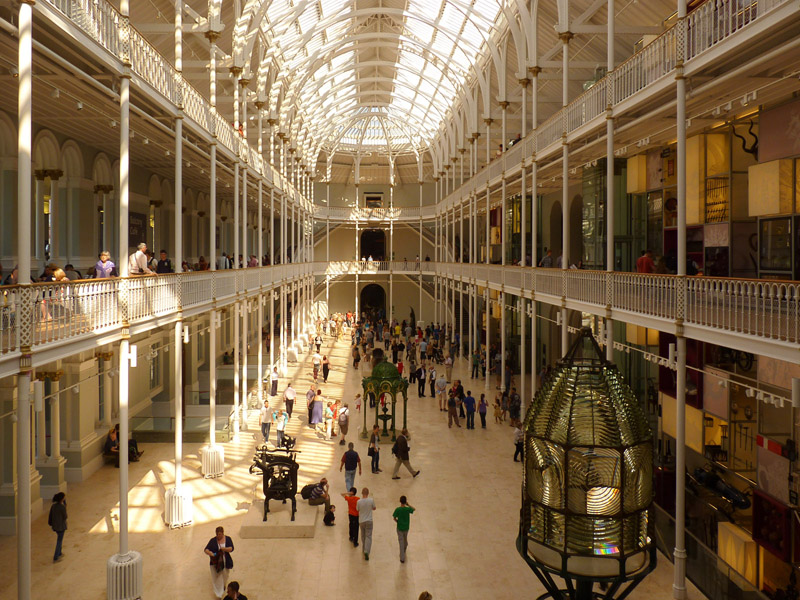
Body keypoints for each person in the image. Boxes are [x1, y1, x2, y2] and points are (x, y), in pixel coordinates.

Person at [204, 526, 234, 598]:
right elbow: (206, 549)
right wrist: (210, 553)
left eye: (220, 534)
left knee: (225, 575)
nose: (218, 536)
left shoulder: (228, 539)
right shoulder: (213, 540)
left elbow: (231, 548)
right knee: (217, 578)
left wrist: (224, 549)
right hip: (216, 562)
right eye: (217, 534)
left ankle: (222, 587)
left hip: (225, 561)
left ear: (223, 533)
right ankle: (219, 594)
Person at [392, 495, 416, 563]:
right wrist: (408, 505)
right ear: (405, 502)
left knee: (401, 542)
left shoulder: (398, 509)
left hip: (399, 527)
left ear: (400, 501)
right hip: (406, 527)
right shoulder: (407, 509)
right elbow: (414, 509)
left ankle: (402, 557)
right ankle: (403, 551)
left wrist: (398, 522)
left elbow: (394, 518)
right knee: (405, 540)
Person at [356, 487, 376, 560]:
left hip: (361, 520)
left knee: (363, 535)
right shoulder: (371, 500)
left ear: (362, 493)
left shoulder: (359, 501)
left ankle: (364, 548)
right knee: (368, 536)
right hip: (369, 520)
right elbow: (374, 508)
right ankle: (366, 551)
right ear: (368, 493)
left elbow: (357, 509)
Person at [48, 492, 67, 562]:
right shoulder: (62, 507)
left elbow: (50, 515)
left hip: (55, 526)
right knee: (59, 541)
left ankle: (59, 553)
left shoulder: (53, 506)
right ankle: (56, 557)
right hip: (61, 526)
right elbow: (65, 516)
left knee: (59, 539)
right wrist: (65, 507)